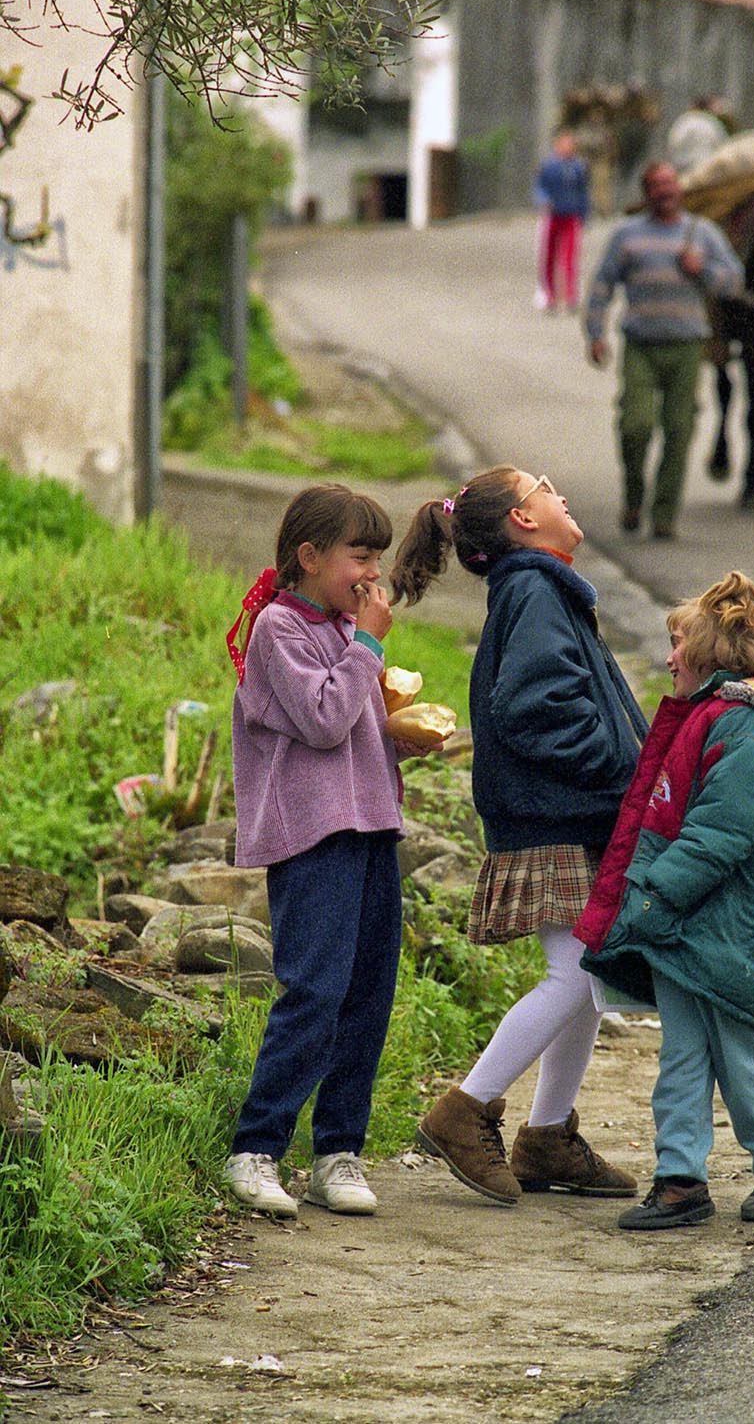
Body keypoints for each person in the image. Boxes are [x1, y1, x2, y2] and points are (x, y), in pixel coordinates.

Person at [389, 467, 648, 1206]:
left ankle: (547, 1138)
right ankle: (464, 1110)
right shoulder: (535, 590)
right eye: (544, 486)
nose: (560, 492)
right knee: (577, 974)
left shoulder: (539, 585)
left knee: (589, 978)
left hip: (565, 811)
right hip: (555, 815)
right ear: (521, 520)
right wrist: (614, 761)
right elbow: (534, 704)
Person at [574, 571, 754, 1231]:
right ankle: (680, 1176)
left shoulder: (745, 730)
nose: (667, 657)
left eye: (678, 642)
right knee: (682, 1056)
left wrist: (654, 894)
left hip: (723, 923)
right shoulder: (714, 717)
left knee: (739, 1055)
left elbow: (722, 834)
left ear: (712, 654)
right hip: (688, 926)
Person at [223, 483, 443, 1220]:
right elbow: (322, 720)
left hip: (370, 827)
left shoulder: (343, 629)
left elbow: (351, 724)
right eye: (360, 556)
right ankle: (256, 1147)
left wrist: (398, 733)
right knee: (313, 989)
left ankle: (336, 1151)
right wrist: (370, 644)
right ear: (309, 556)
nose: (372, 573)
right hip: (314, 836)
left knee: (368, 991)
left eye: (378, 557)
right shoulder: (278, 631)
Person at [585, 161, 743, 540]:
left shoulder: (702, 234)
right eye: (656, 184)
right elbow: (602, 284)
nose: (665, 190)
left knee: (679, 428)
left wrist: (702, 269)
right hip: (640, 344)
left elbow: (733, 282)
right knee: (635, 424)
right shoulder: (627, 235)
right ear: (646, 192)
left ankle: (665, 513)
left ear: (680, 189)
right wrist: (595, 332)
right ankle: (634, 497)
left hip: (687, 345)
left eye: (670, 183)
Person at [533, 129, 591, 311]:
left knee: (570, 257)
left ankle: (570, 294)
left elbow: (583, 192)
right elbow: (539, 187)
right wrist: (543, 201)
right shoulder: (548, 166)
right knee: (549, 256)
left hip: (571, 215)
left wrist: (584, 214)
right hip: (553, 215)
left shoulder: (579, 167)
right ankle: (549, 294)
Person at [666, 95, 730, 175]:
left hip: (681, 167)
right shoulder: (711, 122)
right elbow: (723, 146)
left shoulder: (682, 121)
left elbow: (673, 143)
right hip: (705, 168)